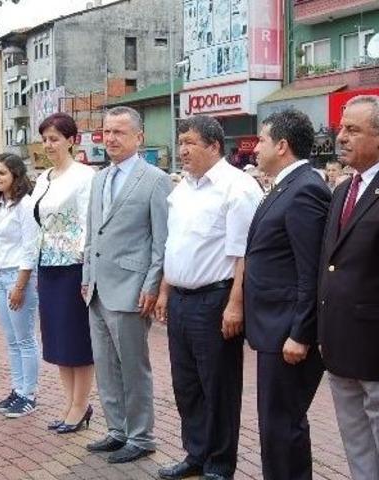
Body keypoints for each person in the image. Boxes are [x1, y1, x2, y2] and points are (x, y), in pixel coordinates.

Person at [155, 115, 262, 480]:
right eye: (180, 141)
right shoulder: (183, 188)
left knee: (218, 387)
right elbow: (176, 245)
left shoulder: (238, 187)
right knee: (186, 385)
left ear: (214, 146)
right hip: (182, 299)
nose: (182, 150)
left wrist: (236, 304)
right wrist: (166, 291)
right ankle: (195, 454)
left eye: (190, 142)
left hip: (216, 301)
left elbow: (244, 255)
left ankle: (219, 463)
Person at [318, 95, 379, 480]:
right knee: (355, 440)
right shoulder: (342, 189)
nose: (342, 137)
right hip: (339, 341)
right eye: (342, 128)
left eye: (354, 130)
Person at [82, 106, 171, 464]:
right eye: (107, 132)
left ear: (139, 137)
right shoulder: (99, 178)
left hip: (133, 287)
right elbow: (92, 233)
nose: (111, 139)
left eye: (120, 132)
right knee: (105, 365)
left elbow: (161, 240)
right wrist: (86, 277)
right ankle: (117, 430)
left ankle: (141, 436)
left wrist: (152, 285)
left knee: (133, 367)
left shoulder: (155, 179)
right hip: (98, 289)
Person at [245, 108, 330, 480]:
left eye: (261, 140)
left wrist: (301, 331)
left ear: (282, 145)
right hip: (273, 327)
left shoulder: (305, 188)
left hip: (287, 331)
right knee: (274, 422)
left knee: (283, 423)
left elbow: (310, 269)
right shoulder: (284, 185)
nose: (255, 148)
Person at [32, 113, 96, 433]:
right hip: (48, 266)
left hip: (74, 266)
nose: (49, 145)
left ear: (72, 140)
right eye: (45, 139)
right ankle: (70, 403)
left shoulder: (86, 176)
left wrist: (87, 272)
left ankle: (80, 406)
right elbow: (35, 224)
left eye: (55, 138)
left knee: (77, 341)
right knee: (56, 340)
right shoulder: (44, 178)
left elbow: (89, 224)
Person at [0, 153, 40, 418]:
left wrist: (19, 286)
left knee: (25, 338)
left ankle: (29, 394)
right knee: (11, 340)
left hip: (20, 276)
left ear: (16, 176)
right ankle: (17, 390)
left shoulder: (26, 206)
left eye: (2, 173)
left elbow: (30, 249)